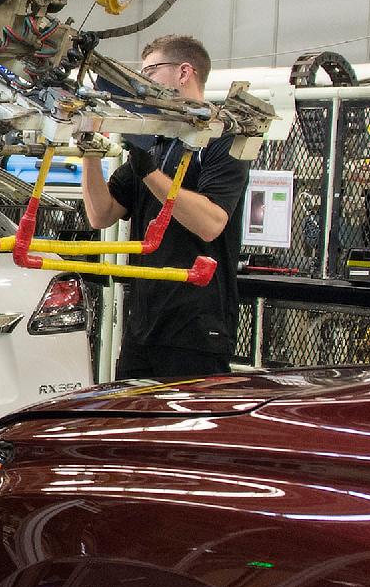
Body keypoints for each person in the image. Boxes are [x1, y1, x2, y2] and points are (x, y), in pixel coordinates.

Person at [80, 34, 248, 379]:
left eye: (151, 72)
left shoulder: (220, 139)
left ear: (184, 72)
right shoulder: (156, 141)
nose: (144, 83)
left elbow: (211, 223)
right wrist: (90, 154)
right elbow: (101, 215)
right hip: (144, 325)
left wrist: (150, 172)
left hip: (196, 329)